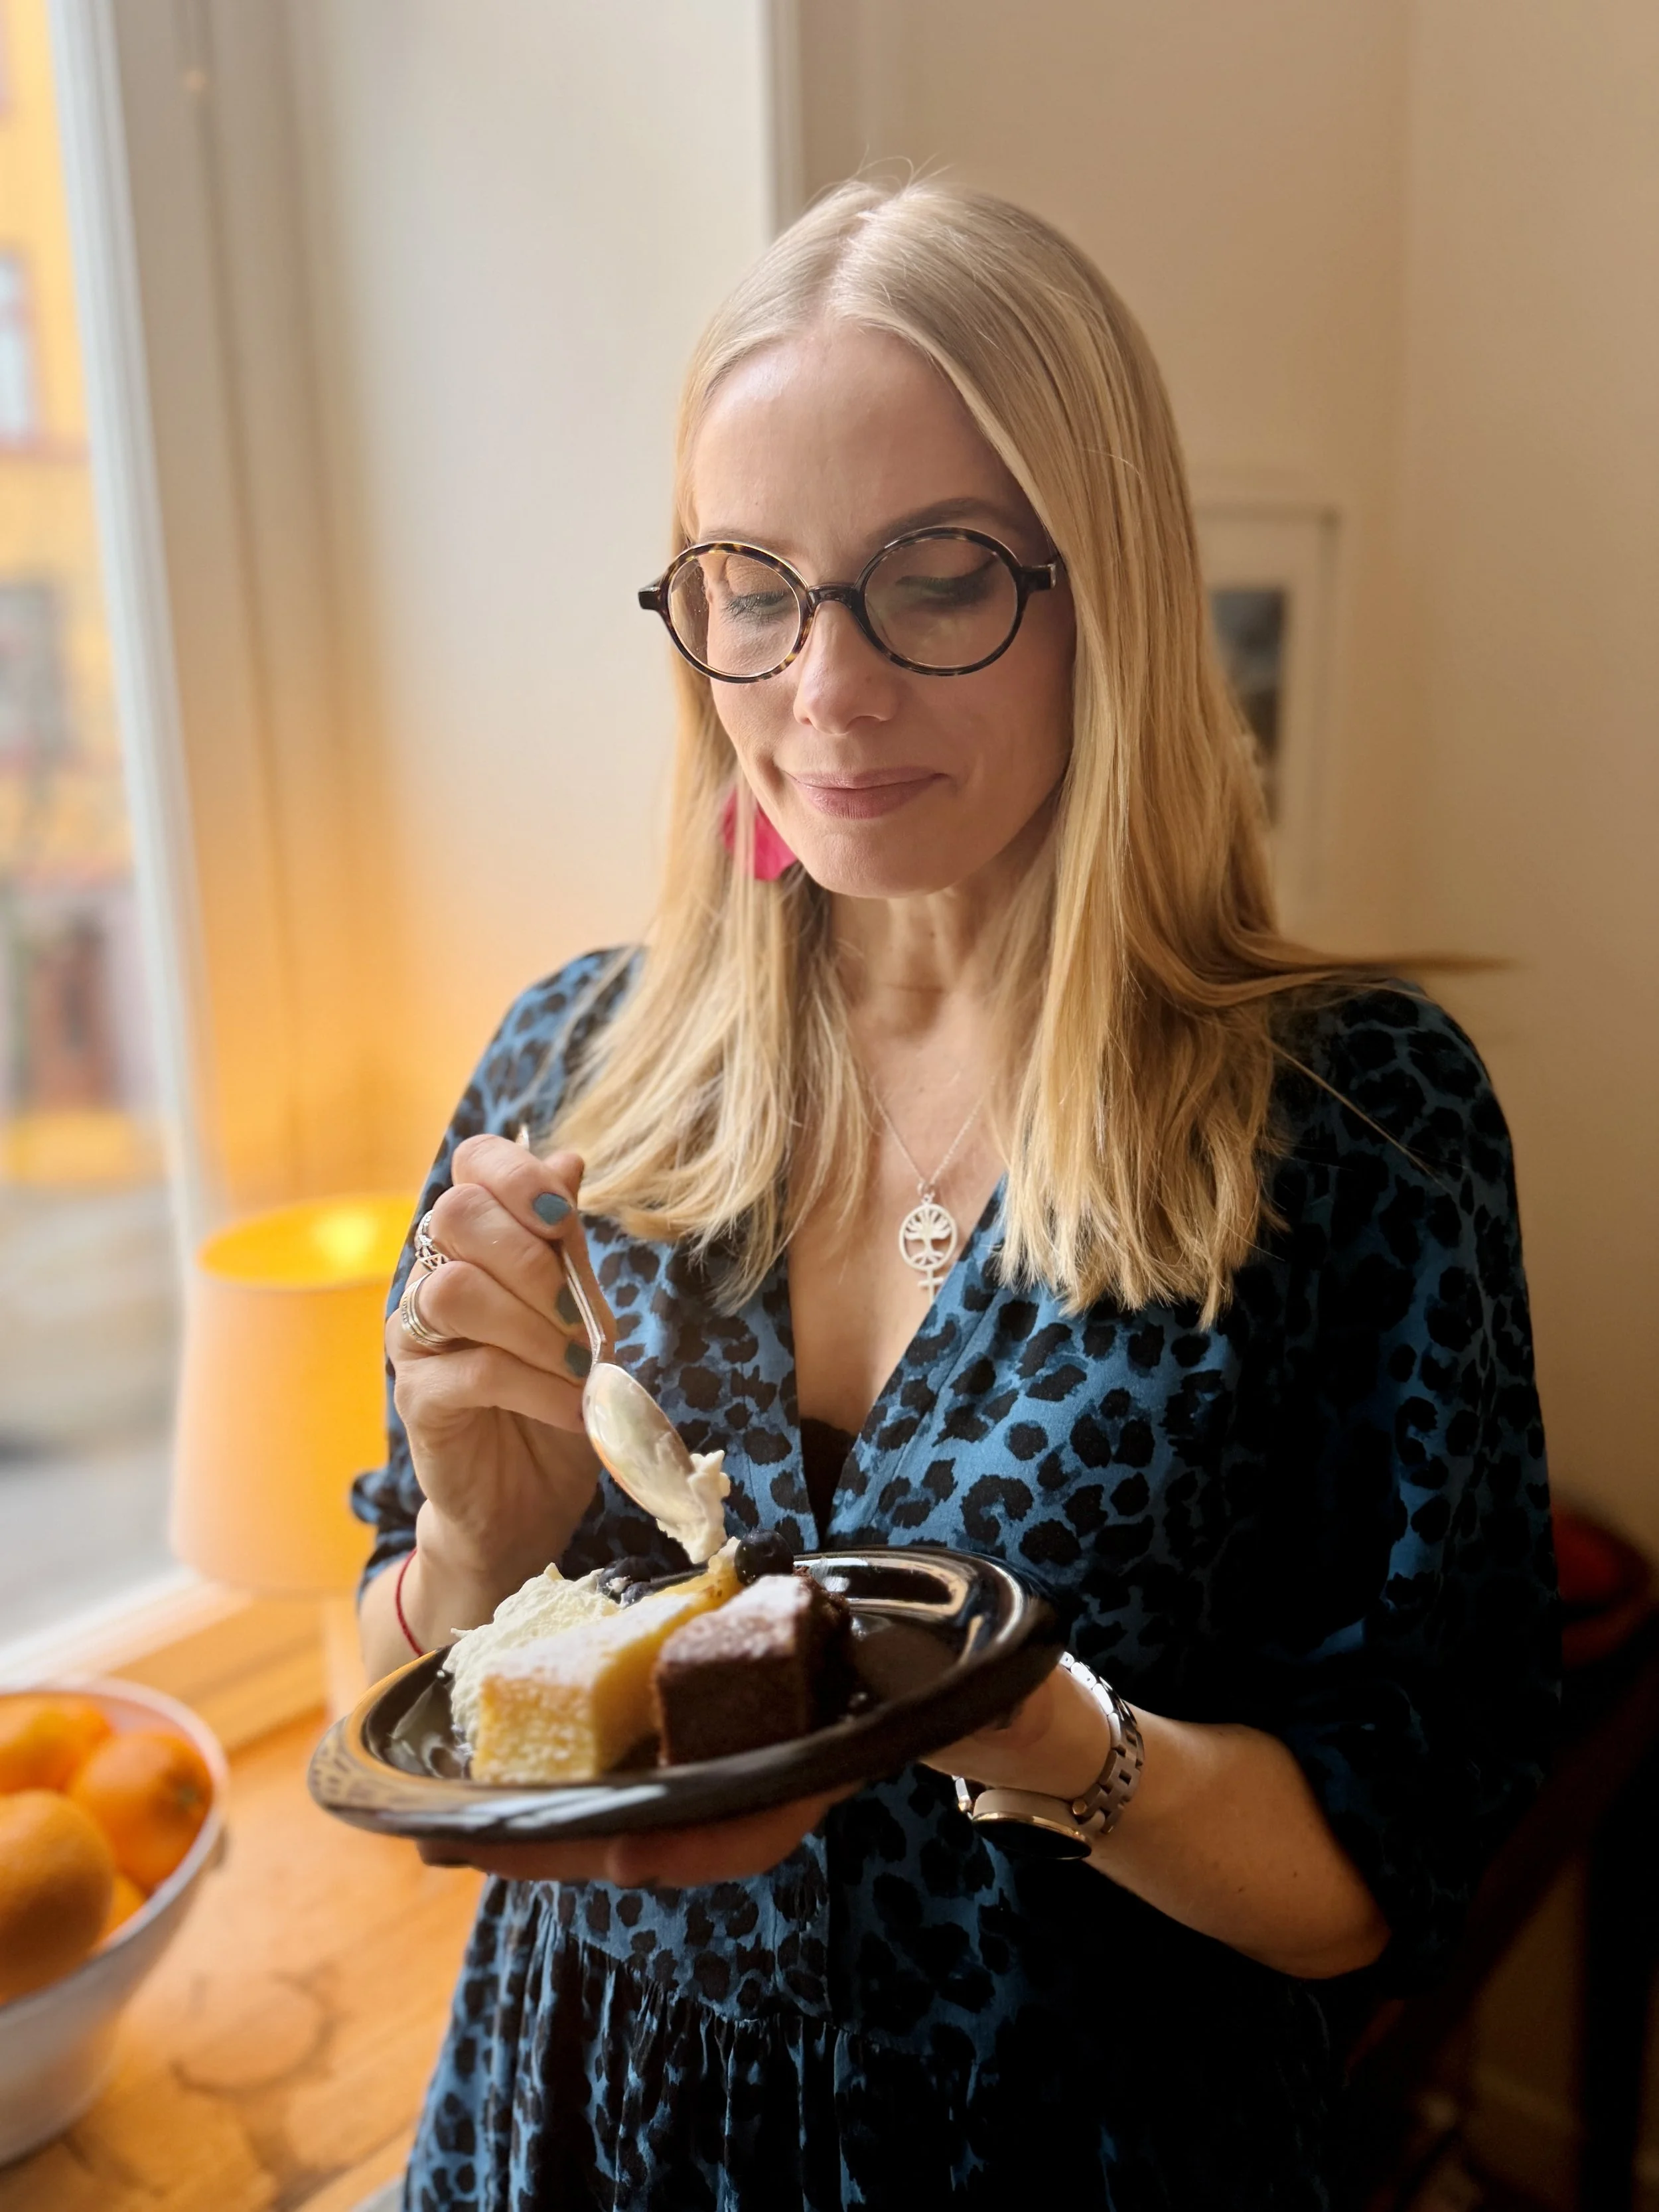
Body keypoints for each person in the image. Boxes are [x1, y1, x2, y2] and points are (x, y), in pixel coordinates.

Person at [354, 179, 1557, 2210]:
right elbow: (383, 1714)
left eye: (934, 579)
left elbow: (1380, 1868)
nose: (824, 690)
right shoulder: (572, 1077)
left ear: (1111, 591)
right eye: (753, 583)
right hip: (576, 2124)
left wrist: (1036, 1730)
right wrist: (468, 1548)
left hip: (1078, 2140)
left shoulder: (1355, 1125)